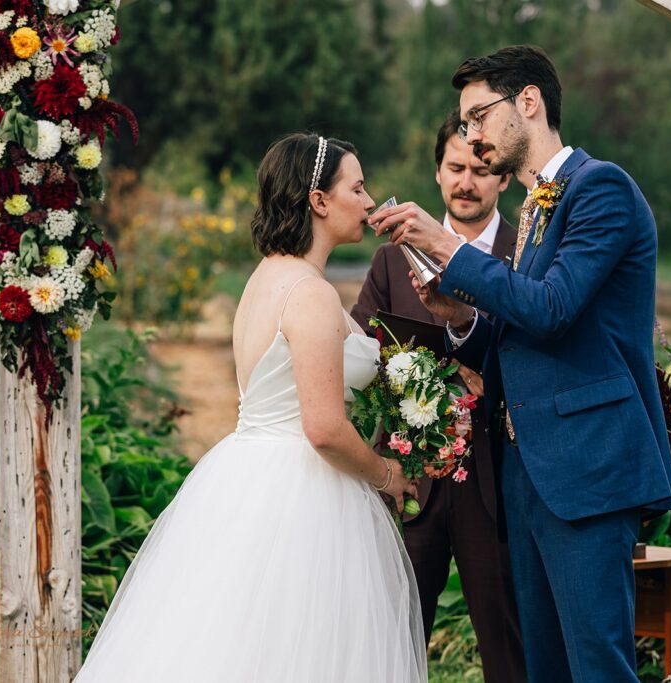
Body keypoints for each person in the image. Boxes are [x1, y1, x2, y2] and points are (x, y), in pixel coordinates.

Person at [368, 45, 671, 682]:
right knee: (543, 669)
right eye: (463, 123)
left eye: (478, 115)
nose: (471, 135)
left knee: (596, 668)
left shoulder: (601, 188)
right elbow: (522, 337)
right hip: (529, 475)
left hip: (587, 467)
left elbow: (554, 307)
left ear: (530, 102)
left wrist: (444, 245)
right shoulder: (537, 207)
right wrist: (460, 317)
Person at [75, 133, 427, 682]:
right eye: (356, 188)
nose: (368, 201)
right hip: (306, 493)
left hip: (245, 473)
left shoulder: (267, 279)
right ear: (318, 200)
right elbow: (325, 427)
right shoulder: (308, 294)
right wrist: (386, 475)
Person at [351, 108, 526, 683]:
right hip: (411, 482)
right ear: (437, 174)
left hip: (498, 481)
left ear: (502, 177)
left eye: (480, 169)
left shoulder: (524, 257)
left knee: (509, 647)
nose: (466, 182)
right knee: (395, 641)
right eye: (454, 168)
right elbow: (360, 360)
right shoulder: (388, 260)